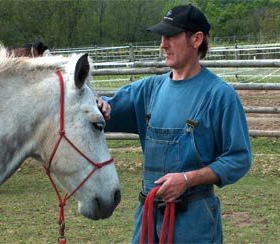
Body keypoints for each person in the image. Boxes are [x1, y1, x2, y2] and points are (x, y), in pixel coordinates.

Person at [97, 4, 252, 243]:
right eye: (162, 36)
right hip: (148, 218)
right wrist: (99, 107)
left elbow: (239, 158)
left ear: (196, 39)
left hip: (194, 221)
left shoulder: (220, 95)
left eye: (171, 36)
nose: (162, 43)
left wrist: (188, 179)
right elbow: (106, 111)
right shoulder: (148, 90)